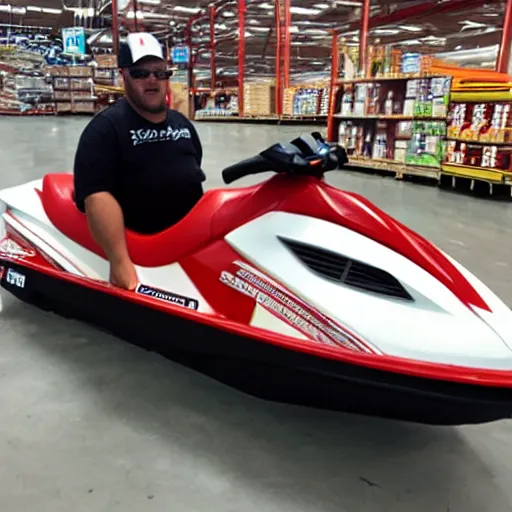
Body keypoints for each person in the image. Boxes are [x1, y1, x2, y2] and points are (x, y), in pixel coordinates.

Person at [73, 32, 206, 291]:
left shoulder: (183, 125)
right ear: (124, 76)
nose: (152, 80)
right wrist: (120, 262)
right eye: (141, 73)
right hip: (142, 249)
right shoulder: (104, 131)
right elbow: (96, 195)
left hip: (187, 246)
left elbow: (194, 170)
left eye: (159, 72)